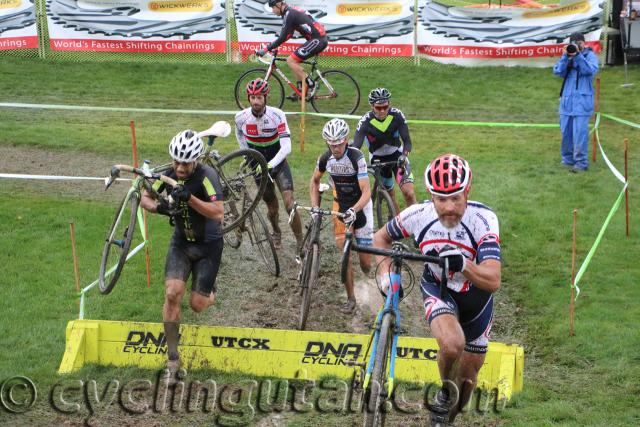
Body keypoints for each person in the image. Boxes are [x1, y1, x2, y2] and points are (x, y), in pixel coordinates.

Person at [373, 154, 501, 426]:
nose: (449, 207)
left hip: (476, 300)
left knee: (466, 384)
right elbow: (381, 238)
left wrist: (464, 264)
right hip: (438, 289)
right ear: (431, 196)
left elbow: (493, 279)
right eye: (441, 199)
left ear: (467, 191)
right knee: (453, 345)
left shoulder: (483, 219)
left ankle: (447, 417)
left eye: (456, 198)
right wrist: (386, 277)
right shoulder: (418, 215)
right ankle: (444, 391)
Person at [140, 129, 225, 383]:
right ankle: (173, 360)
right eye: (176, 161)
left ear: (195, 160)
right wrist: (160, 207)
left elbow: (219, 212)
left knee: (197, 305)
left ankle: (210, 291)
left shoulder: (207, 176)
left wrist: (190, 199)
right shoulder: (169, 173)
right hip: (181, 243)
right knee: (172, 293)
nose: (179, 167)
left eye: (185, 163)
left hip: (209, 245)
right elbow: (145, 196)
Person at [310, 118, 373, 313]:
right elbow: (314, 182)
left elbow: (366, 192)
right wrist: (314, 207)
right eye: (331, 144)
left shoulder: (356, 157)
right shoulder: (324, 159)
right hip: (341, 204)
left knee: (365, 264)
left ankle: (368, 276)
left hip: (361, 206)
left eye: (338, 143)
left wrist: (355, 210)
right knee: (344, 253)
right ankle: (351, 297)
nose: (335, 148)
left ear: (346, 140)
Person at [235, 77, 303, 250]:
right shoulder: (241, 118)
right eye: (252, 97)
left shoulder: (277, 115)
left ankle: (301, 241)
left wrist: (271, 164)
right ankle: (276, 231)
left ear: (266, 98)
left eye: (259, 97)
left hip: (277, 162)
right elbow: (240, 135)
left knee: (290, 204)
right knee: (272, 208)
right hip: (257, 165)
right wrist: (247, 155)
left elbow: (287, 147)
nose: (256, 101)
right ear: (248, 98)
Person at [352, 87, 417, 213]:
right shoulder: (365, 121)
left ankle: (418, 224)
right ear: (371, 105)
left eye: (385, 107)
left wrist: (404, 155)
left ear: (389, 104)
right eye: (378, 108)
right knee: (391, 196)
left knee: (409, 193)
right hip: (378, 161)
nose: (382, 111)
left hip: (398, 157)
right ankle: (400, 226)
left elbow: (407, 142)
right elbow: (356, 147)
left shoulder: (397, 115)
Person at [257, 0, 328, 96]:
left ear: (279, 5)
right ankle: (300, 89)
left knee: (291, 61)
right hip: (318, 39)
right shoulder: (290, 12)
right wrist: (273, 46)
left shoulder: (289, 14)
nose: (273, 11)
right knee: (294, 59)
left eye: (273, 7)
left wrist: (266, 49)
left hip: (317, 40)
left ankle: (312, 84)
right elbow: (288, 35)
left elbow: (283, 37)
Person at [553, 31, 599, 173]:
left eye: (579, 43)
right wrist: (566, 57)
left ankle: (581, 163)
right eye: (574, 43)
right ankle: (567, 159)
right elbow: (558, 71)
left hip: (582, 102)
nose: (577, 46)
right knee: (566, 132)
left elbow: (589, 70)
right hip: (567, 101)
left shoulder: (590, 56)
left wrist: (578, 56)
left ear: (584, 43)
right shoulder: (567, 55)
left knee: (580, 133)